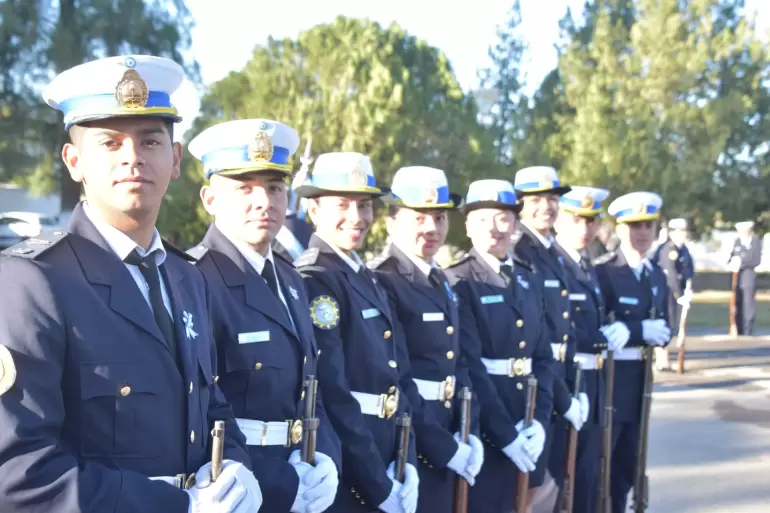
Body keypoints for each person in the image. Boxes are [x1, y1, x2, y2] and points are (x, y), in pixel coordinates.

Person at [0, 55, 262, 513]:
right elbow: (19, 473)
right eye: (110, 142)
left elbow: (210, 406)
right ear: (74, 160)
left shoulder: (187, 278)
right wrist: (178, 507)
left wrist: (239, 467)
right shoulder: (34, 282)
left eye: (150, 140)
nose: (132, 157)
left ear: (175, 159)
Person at [187, 118, 342, 513]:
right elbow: (196, 411)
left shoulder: (290, 277)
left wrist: (326, 458)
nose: (264, 201)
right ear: (209, 199)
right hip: (243, 491)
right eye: (244, 187)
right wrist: (283, 484)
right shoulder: (193, 279)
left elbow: (311, 387)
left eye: (274, 187)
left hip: (302, 478)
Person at [293, 153, 420, 513]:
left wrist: (405, 457)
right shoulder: (315, 277)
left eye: (364, 205)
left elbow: (399, 374)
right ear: (314, 211)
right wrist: (377, 485)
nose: (357, 217)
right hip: (353, 472)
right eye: (342, 204)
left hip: (387, 454)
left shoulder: (366, 276)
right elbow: (333, 393)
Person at [369, 167, 483, 513]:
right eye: (419, 217)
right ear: (392, 221)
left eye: (439, 216)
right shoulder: (384, 280)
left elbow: (459, 363)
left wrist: (470, 429)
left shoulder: (440, 280)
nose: (432, 228)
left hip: (451, 429)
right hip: (414, 438)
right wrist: (444, 449)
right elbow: (398, 378)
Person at [445, 179, 554, 513]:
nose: (493, 229)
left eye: (503, 218)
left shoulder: (527, 277)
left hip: (528, 418)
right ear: (467, 226)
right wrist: (505, 435)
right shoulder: (460, 281)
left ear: (515, 224)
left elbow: (544, 358)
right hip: (490, 428)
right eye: (482, 219)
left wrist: (540, 421)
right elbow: (471, 367)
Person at [510, 166, 588, 510]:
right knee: (529, 486)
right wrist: (560, 396)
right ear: (520, 204)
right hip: (538, 386)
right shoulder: (521, 251)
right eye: (537, 199)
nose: (547, 207)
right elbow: (537, 337)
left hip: (557, 378)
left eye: (553, 199)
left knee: (553, 479)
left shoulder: (552, 250)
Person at [592, 191, 671, 513]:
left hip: (641, 381)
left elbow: (664, 327)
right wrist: (639, 331)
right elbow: (600, 329)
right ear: (620, 229)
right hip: (612, 379)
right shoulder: (605, 271)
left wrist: (659, 334)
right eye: (634, 226)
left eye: (648, 226)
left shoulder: (656, 275)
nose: (642, 233)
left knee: (630, 463)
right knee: (604, 463)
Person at [552, 186, 629, 513]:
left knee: (588, 476)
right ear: (560, 221)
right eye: (576, 221)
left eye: (590, 222)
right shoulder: (555, 266)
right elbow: (557, 329)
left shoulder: (588, 267)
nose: (584, 230)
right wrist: (599, 337)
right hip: (569, 381)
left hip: (595, 383)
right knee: (563, 480)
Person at [651, 218, 694, 369]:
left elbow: (688, 270)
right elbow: (671, 275)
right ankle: (661, 360)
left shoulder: (683, 249)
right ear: (672, 233)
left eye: (684, 231)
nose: (683, 234)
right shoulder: (668, 249)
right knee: (664, 322)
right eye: (680, 231)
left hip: (676, 292)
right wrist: (679, 294)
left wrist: (688, 288)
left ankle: (665, 360)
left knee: (672, 324)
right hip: (665, 292)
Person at [728, 221, 762, 336]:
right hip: (737, 278)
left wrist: (742, 262)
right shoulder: (737, 242)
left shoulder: (755, 242)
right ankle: (739, 329)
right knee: (737, 304)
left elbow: (756, 260)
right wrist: (731, 262)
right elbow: (733, 256)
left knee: (748, 304)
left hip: (748, 277)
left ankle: (748, 330)